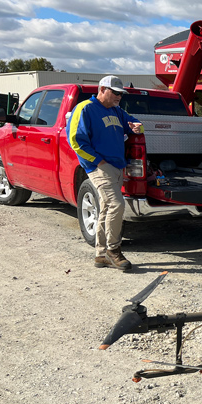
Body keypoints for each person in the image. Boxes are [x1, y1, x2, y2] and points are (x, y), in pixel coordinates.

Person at [67, 75, 143, 271]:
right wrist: (98, 162)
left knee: (108, 208)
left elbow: (134, 122)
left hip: (117, 166)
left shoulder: (117, 111)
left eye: (121, 93)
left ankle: (100, 255)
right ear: (102, 90)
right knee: (117, 204)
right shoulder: (86, 108)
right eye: (115, 93)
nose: (119, 97)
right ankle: (113, 250)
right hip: (100, 167)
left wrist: (137, 126)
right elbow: (75, 141)